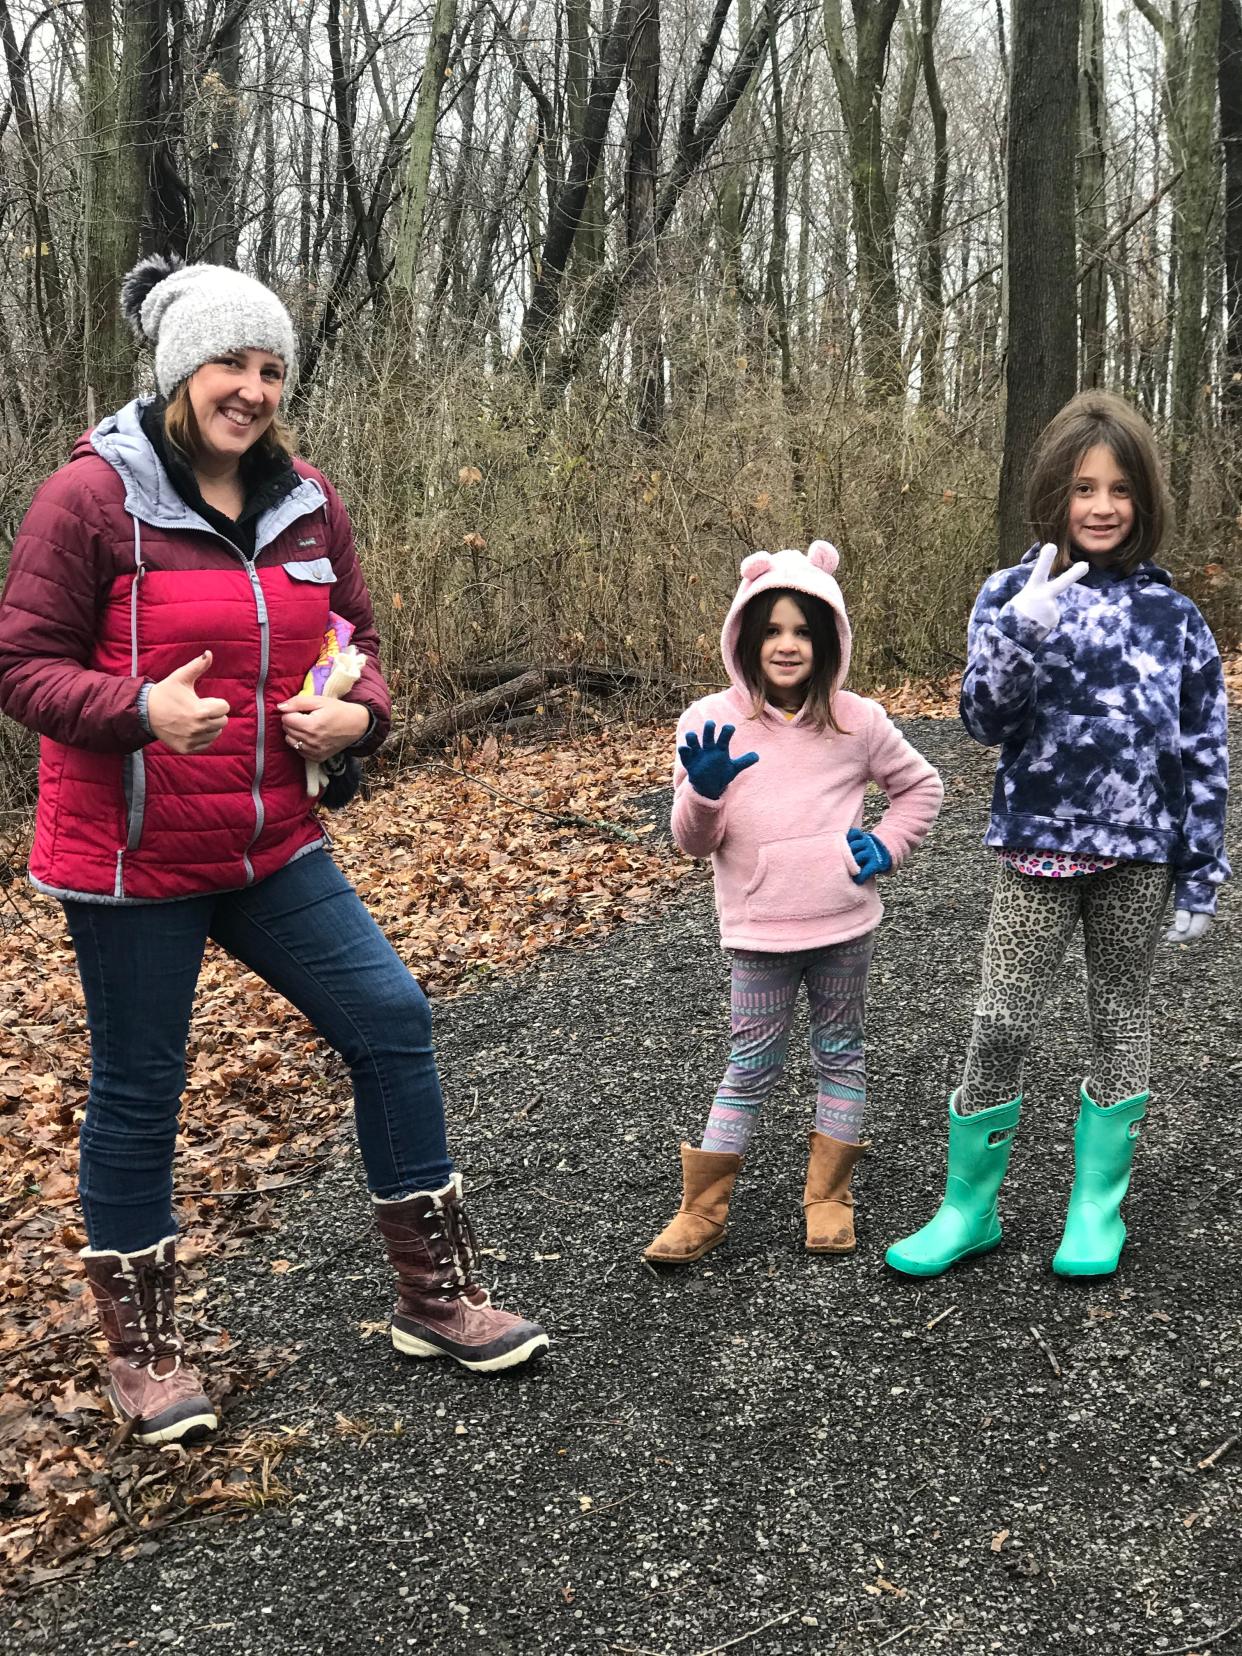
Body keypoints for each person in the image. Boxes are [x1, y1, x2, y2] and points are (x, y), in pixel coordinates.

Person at [0, 256, 547, 1446]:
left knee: (392, 1019)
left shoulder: (308, 500)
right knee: (142, 1090)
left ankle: (435, 1295)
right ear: (178, 369)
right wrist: (139, 711)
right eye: (229, 364)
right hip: (132, 859)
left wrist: (363, 716)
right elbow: (21, 668)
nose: (250, 389)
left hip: (273, 843)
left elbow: (358, 639)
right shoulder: (89, 501)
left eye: (269, 368)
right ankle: (144, 1354)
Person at [886, 390, 1231, 1281]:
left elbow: (1203, 752)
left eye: (1119, 488)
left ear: (1143, 499)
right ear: (1056, 495)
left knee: (1120, 1018)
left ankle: (1094, 1210)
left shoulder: (1176, 618)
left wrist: (1202, 868)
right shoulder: (1012, 593)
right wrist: (1016, 638)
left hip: (1140, 857)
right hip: (1039, 849)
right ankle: (968, 1207)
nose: (1103, 506)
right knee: (1001, 1019)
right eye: (1084, 487)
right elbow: (982, 721)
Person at [643, 542, 944, 1264]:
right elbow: (691, 842)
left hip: (844, 926)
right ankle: (702, 1211)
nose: (787, 644)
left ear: (829, 639)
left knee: (841, 1053)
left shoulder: (857, 721)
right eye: (772, 629)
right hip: (757, 933)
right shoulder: (709, 722)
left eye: (803, 631)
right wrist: (704, 789)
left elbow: (921, 787)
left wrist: (887, 844)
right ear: (746, 637)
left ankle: (829, 1199)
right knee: (749, 1066)